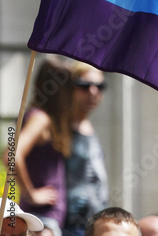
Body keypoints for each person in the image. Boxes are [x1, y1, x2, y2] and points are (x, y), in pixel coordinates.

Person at [14, 58, 73, 236]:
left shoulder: (50, 119)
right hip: (42, 219)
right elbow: (12, 154)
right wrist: (31, 193)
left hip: (48, 219)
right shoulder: (40, 118)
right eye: (70, 84)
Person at [63, 63, 108, 236]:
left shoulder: (88, 125)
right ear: (70, 88)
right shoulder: (59, 125)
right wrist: (32, 193)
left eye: (100, 86)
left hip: (94, 221)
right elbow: (13, 155)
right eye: (84, 86)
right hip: (69, 224)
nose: (93, 92)